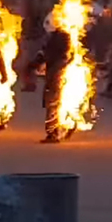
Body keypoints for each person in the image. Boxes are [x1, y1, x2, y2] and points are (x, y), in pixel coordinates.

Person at [28, 15, 70, 143]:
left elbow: (46, 54)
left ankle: (53, 134)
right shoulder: (61, 37)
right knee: (54, 103)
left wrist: (34, 64)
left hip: (56, 75)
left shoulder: (58, 38)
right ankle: (63, 128)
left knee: (52, 103)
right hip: (57, 74)